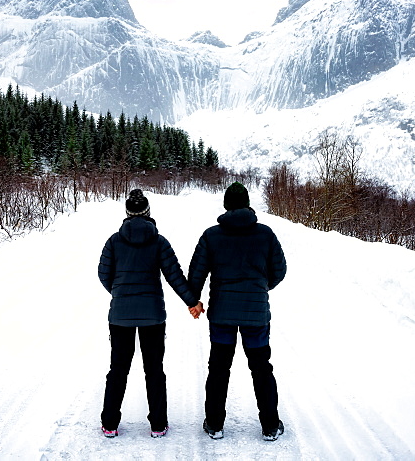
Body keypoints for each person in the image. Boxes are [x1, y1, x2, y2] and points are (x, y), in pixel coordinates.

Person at [98, 189, 203, 439]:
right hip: (153, 317)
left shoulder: (113, 241)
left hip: (120, 317)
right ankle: (158, 425)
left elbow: (103, 274)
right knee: (154, 369)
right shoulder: (159, 241)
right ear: (148, 213)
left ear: (127, 213)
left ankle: (110, 423)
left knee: (118, 369)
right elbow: (174, 276)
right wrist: (193, 302)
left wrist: (119, 292)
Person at [187, 181, 288, 441]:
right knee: (261, 368)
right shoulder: (265, 234)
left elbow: (195, 275)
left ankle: (214, 424)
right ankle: (269, 426)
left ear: (226, 205)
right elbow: (279, 271)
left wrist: (193, 301)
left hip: (222, 315)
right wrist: (260, 288)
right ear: (247, 204)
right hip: (255, 315)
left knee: (219, 368)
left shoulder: (212, 235)